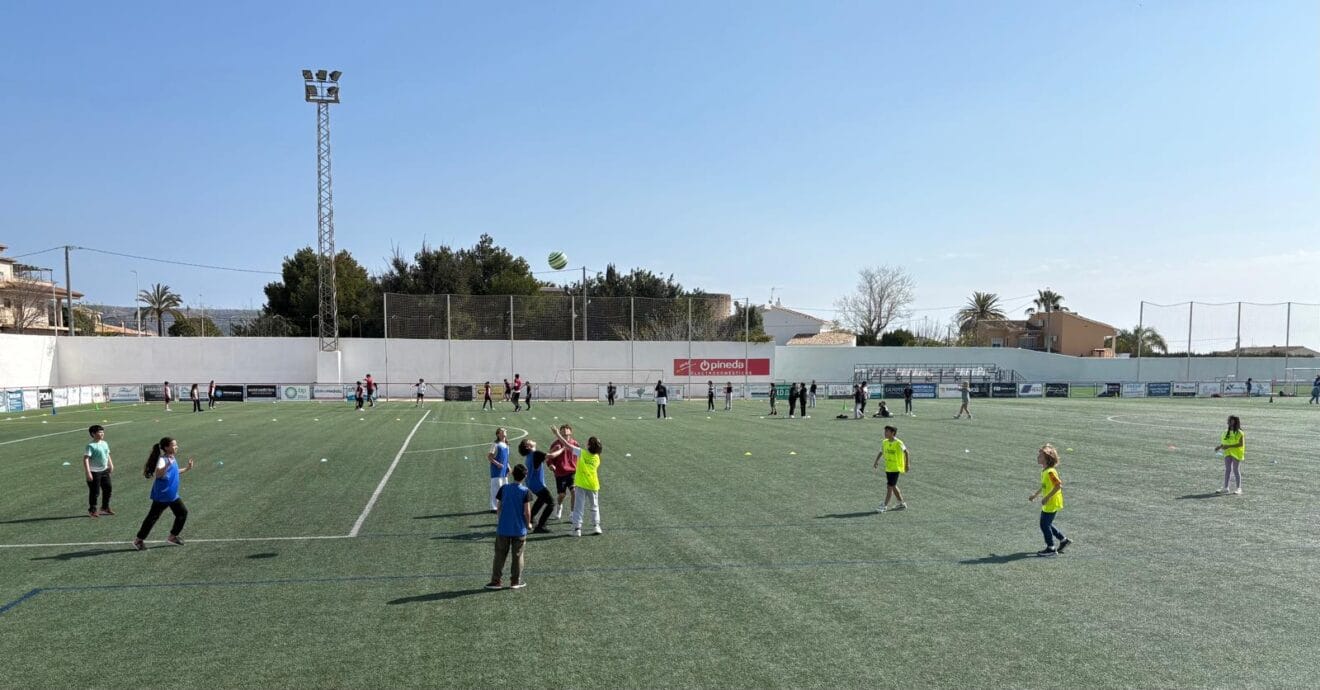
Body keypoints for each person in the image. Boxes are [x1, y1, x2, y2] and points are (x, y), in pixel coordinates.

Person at [132, 437, 195, 549]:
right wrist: (167, 465)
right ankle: (138, 540)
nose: (176, 447)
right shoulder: (163, 459)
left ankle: (172, 537)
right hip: (163, 495)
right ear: (166, 447)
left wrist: (186, 469)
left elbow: (174, 472)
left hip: (172, 495)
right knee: (152, 518)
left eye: (176, 444)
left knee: (182, 513)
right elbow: (159, 474)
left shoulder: (171, 458)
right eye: (174, 445)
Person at [486, 464, 532, 590]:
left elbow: (499, 507)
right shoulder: (525, 491)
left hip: (503, 528)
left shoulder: (504, 488)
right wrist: (528, 524)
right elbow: (527, 512)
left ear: (512, 474)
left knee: (499, 555)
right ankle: (515, 581)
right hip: (519, 529)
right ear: (525, 476)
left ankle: (496, 581)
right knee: (517, 555)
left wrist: (500, 520)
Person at [553, 427, 602, 537]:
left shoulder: (582, 453)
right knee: (594, 506)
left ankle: (576, 529)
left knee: (578, 507)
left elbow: (566, 444)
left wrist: (557, 434)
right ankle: (596, 526)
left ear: (589, 445)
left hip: (581, 484)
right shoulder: (597, 457)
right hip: (594, 485)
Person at [1029, 444, 1070, 557]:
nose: (1038, 457)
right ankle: (1063, 540)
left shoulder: (1050, 472)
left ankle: (1051, 548)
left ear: (1047, 459)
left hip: (1052, 501)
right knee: (1047, 523)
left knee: (1044, 524)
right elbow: (1044, 486)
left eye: (1040, 456)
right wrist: (1035, 495)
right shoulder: (1045, 471)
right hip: (1050, 501)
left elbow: (1058, 486)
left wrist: (1047, 497)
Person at [518, 439, 555, 533]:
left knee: (541, 499)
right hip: (538, 485)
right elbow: (551, 456)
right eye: (529, 441)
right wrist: (563, 448)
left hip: (531, 484)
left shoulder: (531, 455)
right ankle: (540, 526)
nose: (532, 440)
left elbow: (545, 456)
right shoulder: (536, 454)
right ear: (528, 446)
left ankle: (530, 518)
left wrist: (554, 449)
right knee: (551, 503)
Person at [546, 423, 580, 520]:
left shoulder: (575, 443)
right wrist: (551, 465)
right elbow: (549, 457)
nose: (565, 431)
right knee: (562, 495)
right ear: (559, 432)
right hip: (560, 473)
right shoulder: (556, 444)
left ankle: (573, 513)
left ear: (571, 432)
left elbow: (579, 457)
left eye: (567, 430)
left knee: (574, 492)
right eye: (563, 430)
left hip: (572, 472)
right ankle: (559, 506)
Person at [873, 425, 909, 512]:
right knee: (893, 486)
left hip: (895, 468)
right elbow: (881, 451)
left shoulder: (898, 442)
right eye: (885, 431)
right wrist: (876, 461)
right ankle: (901, 503)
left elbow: (906, 452)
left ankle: (884, 505)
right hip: (888, 467)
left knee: (889, 486)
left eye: (887, 432)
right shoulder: (884, 442)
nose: (885, 433)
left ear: (893, 433)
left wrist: (907, 464)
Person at [83, 424, 115, 518]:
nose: (102, 434)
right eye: (99, 432)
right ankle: (92, 510)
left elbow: (107, 454)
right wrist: (88, 472)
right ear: (93, 434)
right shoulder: (90, 446)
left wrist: (111, 464)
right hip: (94, 472)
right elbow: (86, 459)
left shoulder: (104, 443)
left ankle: (105, 507)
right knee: (95, 492)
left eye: (102, 432)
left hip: (104, 470)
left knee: (108, 489)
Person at [1215, 415, 1245, 495]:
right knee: (1227, 470)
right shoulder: (1225, 432)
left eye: (1232, 421)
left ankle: (1239, 488)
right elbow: (1225, 442)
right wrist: (1220, 447)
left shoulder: (1239, 432)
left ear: (1235, 422)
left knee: (1236, 470)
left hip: (1236, 453)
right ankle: (1226, 487)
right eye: (1229, 420)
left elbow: (1240, 444)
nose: (1230, 422)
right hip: (1228, 452)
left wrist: (1229, 446)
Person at [487, 427, 510, 512]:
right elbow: (489, 457)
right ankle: (494, 507)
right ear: (498, 434)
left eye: (504, 430)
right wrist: (497, 464)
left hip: (504, 471)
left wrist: (509, 468)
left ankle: (502, 505)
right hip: (496, 471)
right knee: (496, 489)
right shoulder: (495, 444)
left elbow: (506, 459)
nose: (504, 431)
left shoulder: (507, 445)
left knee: (504, 488)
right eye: (502, 430)